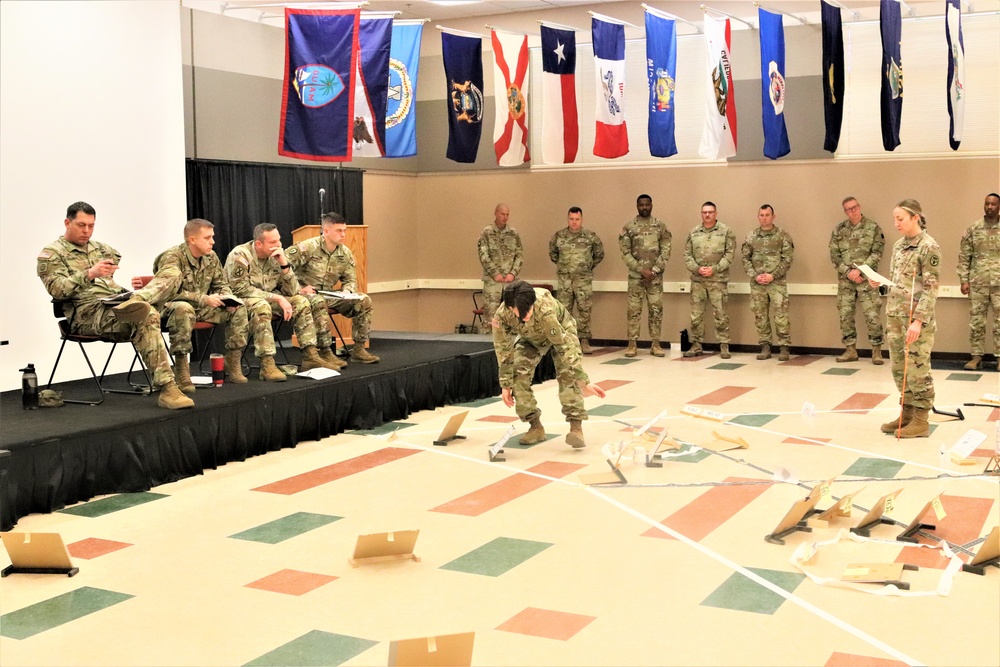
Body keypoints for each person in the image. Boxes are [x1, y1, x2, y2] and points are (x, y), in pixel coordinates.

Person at [36, 201, 193, 409]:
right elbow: (56, 289)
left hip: (118, 302)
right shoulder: (52, 254)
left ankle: (182, 372)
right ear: (67, 222)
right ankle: (168, 388)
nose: (86, 231)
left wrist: (110, 273)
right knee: (146, 315)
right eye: (81, 225)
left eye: (91, 226)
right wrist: (90, 274)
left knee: (180, 302)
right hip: (88, 313)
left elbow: (115, 256)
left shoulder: (99, 248)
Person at [140, 218, 285, 389]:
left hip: (203, 306)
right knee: (184, 309)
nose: (213, 242)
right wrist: (203, 298)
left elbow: (220, 283)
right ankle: (181, 370)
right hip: (172, 306)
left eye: (212, 237)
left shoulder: (211, 257)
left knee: (238, 308)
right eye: (207, 238)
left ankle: (233, 359)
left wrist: (227, 297)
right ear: (192, 239)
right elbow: (168, 291)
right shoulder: (172, 257)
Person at [493, 281, 606, 448]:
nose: (526, 316)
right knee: (517, 374)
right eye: (521, 314)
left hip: (562, 332)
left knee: (567, 373)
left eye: (529, 311)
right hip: (530, 338)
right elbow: (503, 350)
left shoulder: (544, 310)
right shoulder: (501, 316)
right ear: (510, 308)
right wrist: (505, 384)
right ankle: (535, 427)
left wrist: (584, 381)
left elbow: (563, 346)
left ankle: (576, 428)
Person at [224, 223, 339, 376]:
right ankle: (267, 364)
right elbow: (240, 289)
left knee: (301, 301)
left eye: (279, 240)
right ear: (258, 244)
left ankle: (310, 355)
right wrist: (277, 298)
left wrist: (284, 265)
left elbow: (292, 291)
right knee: (262, 306)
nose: (278, 245)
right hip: (240, 301)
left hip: (268, 299)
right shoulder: (241, 255)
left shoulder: (276, 257)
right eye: (273, 242)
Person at [869, 199, 941, 438]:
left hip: (914, 320)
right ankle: (907, 413)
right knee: (900, 369)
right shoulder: (899, 246)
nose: (896, 223)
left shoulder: (928, 247)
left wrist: (918, 321)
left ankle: (921, 420)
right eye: (894, 219)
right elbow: (896, 283)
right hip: (896, 317)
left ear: (915, 218)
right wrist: (879, 284)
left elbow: (930, 289)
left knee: (918, 369)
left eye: (900, 218)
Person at [286, 212, 380, 364]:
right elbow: (282, 268)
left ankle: (359, 349)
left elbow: (350, 279)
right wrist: (299, 288)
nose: (343, 235)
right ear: (326, 231)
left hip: (328, 295)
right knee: (318, 301)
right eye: (339, 231)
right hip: (305, 296)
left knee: (363, 300)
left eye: (344, 231)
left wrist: (348, 291)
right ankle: (325, 351)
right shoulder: (307, 248)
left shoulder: (345, 253)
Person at [829, 197, 886, 365]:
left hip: (867, 280)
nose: (852, 211)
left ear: (859, 207)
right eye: (848, 209)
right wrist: (848, 272)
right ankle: (850, 350)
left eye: (854, 207)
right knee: (845, 316)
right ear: (845, 211)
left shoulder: (873, 228)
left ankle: (877, 351)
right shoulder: (839, 230)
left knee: (872, 315)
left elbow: (877, 253)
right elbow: (834, 255)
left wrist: (859, 270)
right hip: (846, 281)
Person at [619, 194, 671, 357]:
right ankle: (632, 344)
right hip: (636, 278)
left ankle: (655, 344)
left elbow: (666, 250)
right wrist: (642, 270)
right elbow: (625, 253)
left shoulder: (660, 226)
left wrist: (654, 270)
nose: (644, 207)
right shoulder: (629, 228)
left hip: (655, 278)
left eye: (647, 205)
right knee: (633, 310)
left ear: (651, 205)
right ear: (637, 206)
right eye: (641, 205)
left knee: (656, 310)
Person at [682, 201, 736, 359]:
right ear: (701, 214)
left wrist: (714, 269)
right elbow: (687, 255)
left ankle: (724, 345)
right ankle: (697, 345)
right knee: (696, 315)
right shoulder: (694, 233)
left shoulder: (726, 231)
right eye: (704, 212)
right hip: (698, 280)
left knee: (721, 313)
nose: (707, 215)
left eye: (710, 212)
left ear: (716, 213)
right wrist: (697, 269)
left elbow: (729, 254)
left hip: (718, 280)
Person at [548, 206, 604, 355]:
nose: (574, 222)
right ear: (568, 219)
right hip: (565, 280)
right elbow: (553, 254)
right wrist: (564, 266)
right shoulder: (559, 236)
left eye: (577, 219)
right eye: (571, 219)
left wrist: (587, 266)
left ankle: (584, 341)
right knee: (564, 311)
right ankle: (565, 341)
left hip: (583, 281)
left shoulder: (590, 236)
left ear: (581, 219)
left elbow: (599, 254)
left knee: (584, 311)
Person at [741, 204, 794, 361]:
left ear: (773, 217)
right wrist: (754, 275)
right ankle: (765, 347)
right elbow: (745, 258)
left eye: (767, 215)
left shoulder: (782, 236)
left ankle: (784, 347)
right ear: (758, 217)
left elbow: (787, 259)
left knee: (781, 316)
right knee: (760, 316)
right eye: (761, 215)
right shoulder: (751, 236)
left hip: (777, 283)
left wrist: (773, 275)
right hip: (758, 284)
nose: (764, 218)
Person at [956, 192, 1000, 370]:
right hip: (978, 283)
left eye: (993, 204)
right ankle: (976, 356)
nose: (989, 207)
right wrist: (964, 279)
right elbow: (964, 256)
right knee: (976, 322)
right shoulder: (973, 229)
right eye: (987, 204)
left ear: (999, 207)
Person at [477, 203, 523, 334]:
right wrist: (495, 273)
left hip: (510, 282)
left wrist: (513, 274)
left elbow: (519, 256)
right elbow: (483, 255)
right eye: (502, 214)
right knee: (491, 320)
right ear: (496, 213)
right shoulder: (487, 232)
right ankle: (488, 348)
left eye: (507, 214)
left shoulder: (513, 233)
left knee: (513, 318)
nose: (505, 217)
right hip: (493, 282)